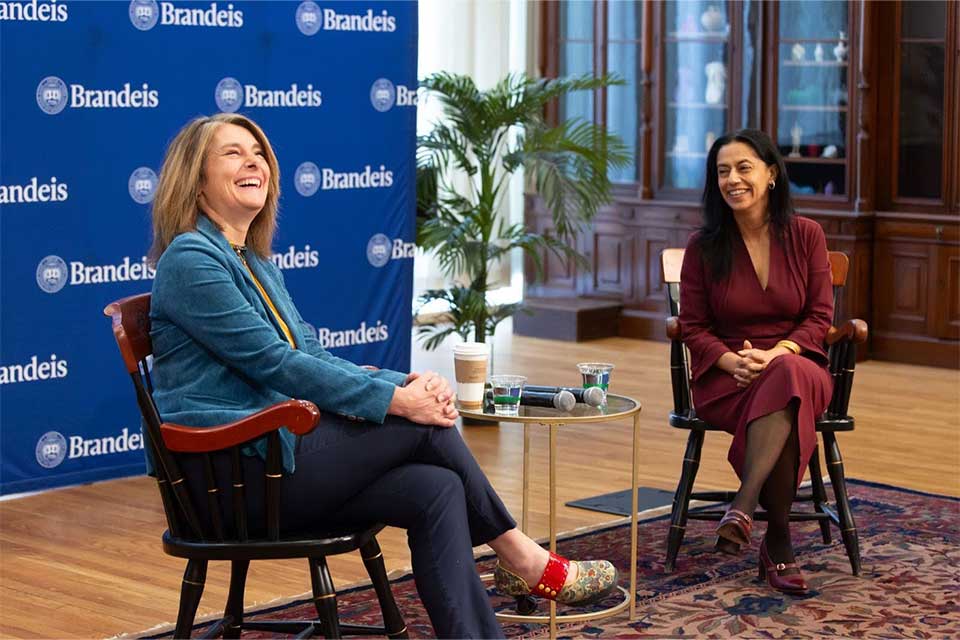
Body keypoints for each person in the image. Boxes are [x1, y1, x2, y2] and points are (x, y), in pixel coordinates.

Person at [147, 113, 617, 638]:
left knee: (436, 488)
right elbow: (276, 363)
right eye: (233, 153)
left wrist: (403, 383)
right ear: (196, 180)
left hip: (275, 455)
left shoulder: (253, 261)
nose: (253, 161)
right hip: (234, 478)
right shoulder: (191, 259)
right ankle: (523, 558)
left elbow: (312, 353)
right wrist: (400, 404)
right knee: (420, 427)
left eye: (259, 153)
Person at [679, 129, 834, 594]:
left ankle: (744, 505)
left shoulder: (806, 235)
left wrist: (779, 353)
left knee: (787, 377)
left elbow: (820, 316)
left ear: (771, 174)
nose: (733, 179)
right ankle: (778, 542)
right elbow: (692, 327)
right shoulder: (703, 247)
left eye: (744, 168)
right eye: (722, 171)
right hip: (729, 377)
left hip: (799, 363)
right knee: (785, 404)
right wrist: (732, 362)